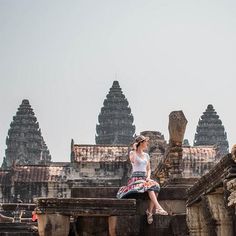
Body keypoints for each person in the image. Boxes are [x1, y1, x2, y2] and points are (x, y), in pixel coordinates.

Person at [117, 135, 168, 224]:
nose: (147, 143)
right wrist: (134, 149)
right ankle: (158, 208)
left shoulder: (146, 155)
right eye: (145, 142)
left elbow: (148, 169)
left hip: (145, 178)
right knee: (150, 187)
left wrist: (148, 177)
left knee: (155, 187)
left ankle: (150, 211)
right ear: (141, 143)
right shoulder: (132, 153)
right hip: (135, 179)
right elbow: (132, 161)